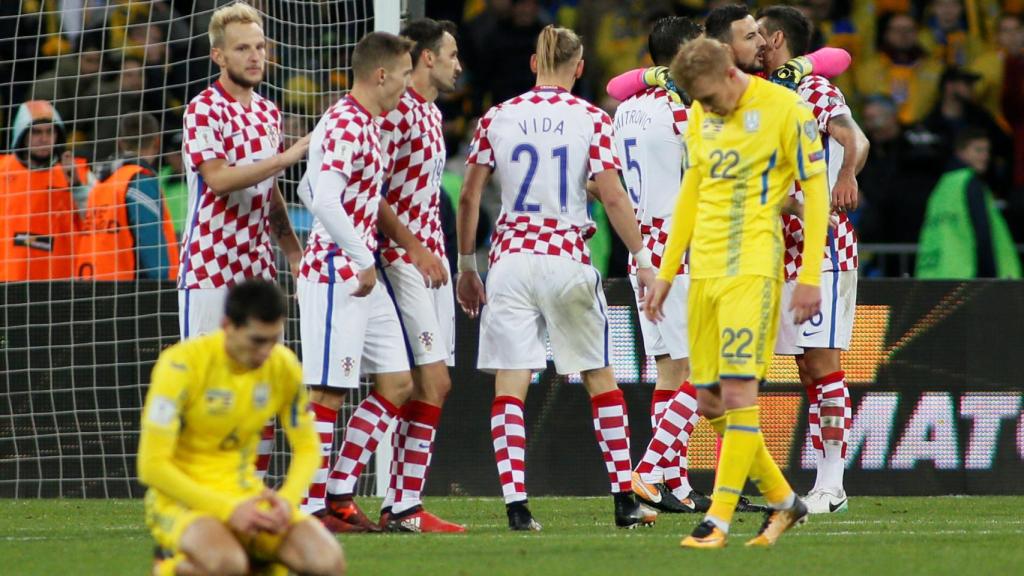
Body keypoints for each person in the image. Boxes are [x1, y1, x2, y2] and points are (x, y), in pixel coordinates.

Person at [457, 25, 656, 531]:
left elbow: (469, 196)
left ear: (532, 64)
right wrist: (644, 257)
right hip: (567, 255)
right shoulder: (591, 117)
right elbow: (612, 195)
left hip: (511, 261)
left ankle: (518, 507)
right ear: (580, 67)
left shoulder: (497, 117)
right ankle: (623, 500)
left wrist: (466, 266)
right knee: (598, 378)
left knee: (511, 384)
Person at [644, 37, 830, 548]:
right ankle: (784, 501)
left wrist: (810, 274)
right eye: (696, 101)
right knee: (707, 402)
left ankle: (717, 520)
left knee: (739, 392)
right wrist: (666, 269)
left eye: (707, 97)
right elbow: (692, 189)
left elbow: (816, 193)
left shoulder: (787, 110)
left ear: (731, 73)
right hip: (702, 269)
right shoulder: (703, 113)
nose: (704, 108)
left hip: (754, 266)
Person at [179, 2, 309, 480]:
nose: (255, 57)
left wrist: (292, 248)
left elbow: (268, 193)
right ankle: (196, 496)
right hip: (210, 266)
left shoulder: (269, 112)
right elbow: (217, 180)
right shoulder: (202, 110)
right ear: (219, 56)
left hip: (258, 267)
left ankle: (248, 491)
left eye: (259, 47)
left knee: (261, 388)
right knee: (209, 387)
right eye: (242, 49)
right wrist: (287, 156)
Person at [138, 280, 345, 576]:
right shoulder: (181, 365)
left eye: (273, 340)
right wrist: (227, 510)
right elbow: (151, 465)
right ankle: (170, 566)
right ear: (227, 326)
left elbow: (308, 447)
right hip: (180, 502)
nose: (266, 352)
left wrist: (287, 501)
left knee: (327, 562)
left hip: (247, 496)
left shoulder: (282, 366)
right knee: (228, 565)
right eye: (257, 341)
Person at [294, 31, 416, 534]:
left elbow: (307, 186)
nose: (409, 84)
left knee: (398, 382)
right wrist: (360, 254)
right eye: (406, 73)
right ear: (382, 74)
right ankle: (308, 507)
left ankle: (338, 492)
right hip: (337, 270)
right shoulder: (347, 122)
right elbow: (322, 200)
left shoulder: (360, 122)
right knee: (326, 393)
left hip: (355, 268)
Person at [757, 4, 870, 515]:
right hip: (777, 248)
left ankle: (832, 485)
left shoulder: (815, 89)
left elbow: (856, 138)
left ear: (777, 38)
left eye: (758, 34)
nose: (753, 42)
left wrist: (846, 176)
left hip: (821, 247)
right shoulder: (764, 92)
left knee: (823, 366)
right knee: (804, 367)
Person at [611, 15, 709, 516]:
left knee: (670, 370)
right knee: (708, 366)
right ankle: (649, 472)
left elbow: (603, 181)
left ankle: (673, 484)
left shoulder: (624, 110)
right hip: (681, 250)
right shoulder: (680, 111)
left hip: (641, 251)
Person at [373, 18, 465, 533]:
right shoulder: (397, 112)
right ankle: (366, 494)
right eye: (452, 54)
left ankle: (402, 504)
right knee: (425, 382)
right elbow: (373, 187)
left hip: (429, 263)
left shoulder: (429, 112)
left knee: (430, 386)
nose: (459, 65)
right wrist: (409, 249)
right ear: (427, 58)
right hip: (400, 262)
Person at [76, 112, 179, 280]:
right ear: (157, 142)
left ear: (120, 144)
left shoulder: (102, 184)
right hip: (128, 293)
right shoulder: (140, 182)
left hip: (91, 285)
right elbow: (153, 252)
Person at [0, 100, 94, 282]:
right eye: (36, 132)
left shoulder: (77, 172)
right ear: (22, 134)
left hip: (61, 282)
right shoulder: (3, 169)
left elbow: (99, 218)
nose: (44, 138)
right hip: (8, 280)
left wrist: (78, 188)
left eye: (49, 131)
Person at [916, 128, 1022, 279]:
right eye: (978, 150)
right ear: (961, 152)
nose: (985, 156)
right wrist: (991, 275)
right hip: (968, 275)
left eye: (987, 151)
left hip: (935, 273)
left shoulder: (942, 185)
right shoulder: (970, 182)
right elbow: (982, 231)